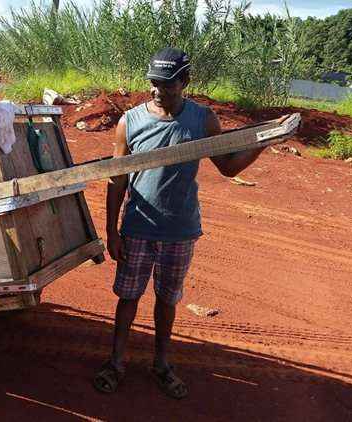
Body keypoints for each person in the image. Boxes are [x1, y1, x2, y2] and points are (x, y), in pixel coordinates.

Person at [92, 47, 269, 399]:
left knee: (167, 300)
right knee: (127, 298)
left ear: (185, 82)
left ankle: (161, 364)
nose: (158, 91)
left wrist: (264, 141)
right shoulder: (130, 121)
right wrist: (111, 230)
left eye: (167, 85)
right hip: (138, 227)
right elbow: (116, 180)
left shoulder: (203, 120)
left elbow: (228, 167)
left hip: (180, 230)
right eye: (153, 84)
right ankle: (116, 363)